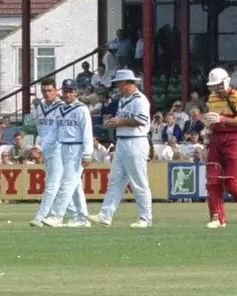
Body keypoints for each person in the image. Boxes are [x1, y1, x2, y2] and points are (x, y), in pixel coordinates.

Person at [202, 67, 237, 228]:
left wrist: (221, 119)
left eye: (218, 85)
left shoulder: (236, 96)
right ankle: (217, 218)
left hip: (233, 139)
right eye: (213, 86)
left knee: (230, 181)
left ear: (225, 82)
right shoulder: (212, 98)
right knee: (212, 180)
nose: (216, 89)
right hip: (216, 138)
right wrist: (207, 128)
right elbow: (211, 121)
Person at [96, 70, 153, 228]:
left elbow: (141, 120)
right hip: (122, 141)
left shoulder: (140, 99)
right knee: (115, 180)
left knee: (139, 181)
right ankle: (105, 215)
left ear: (127, 83)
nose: (117, 86)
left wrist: (120, 122)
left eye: (119, 83)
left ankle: (145, 218)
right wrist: (114, 123)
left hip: (136, 141)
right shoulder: (122, 100)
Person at [48, 79, 95, 227]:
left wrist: (87, 153)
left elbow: (87, 132)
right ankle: (81, 218)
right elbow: (55, 130)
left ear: (75, 92)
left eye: (70, 91)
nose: (67, 94)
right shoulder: (60, 109)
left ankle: (57, 215)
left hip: (77, 147)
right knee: (74, 185)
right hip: (63, 146)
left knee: (67, 183)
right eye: (65, 91)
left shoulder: (81, 109)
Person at [29, 79, 67, 227]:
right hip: (46, 148)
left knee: (52, 182)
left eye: (50, 90)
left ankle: (40, 216)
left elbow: (57, 131)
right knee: (69, 184)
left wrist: (41, 147)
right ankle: (80, 216)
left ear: (56, 90)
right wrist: (39, 146)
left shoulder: (62, 107)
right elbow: (41, 129)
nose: (47, 93)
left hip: (59, 147)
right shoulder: (40, 107)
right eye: (44, 90)